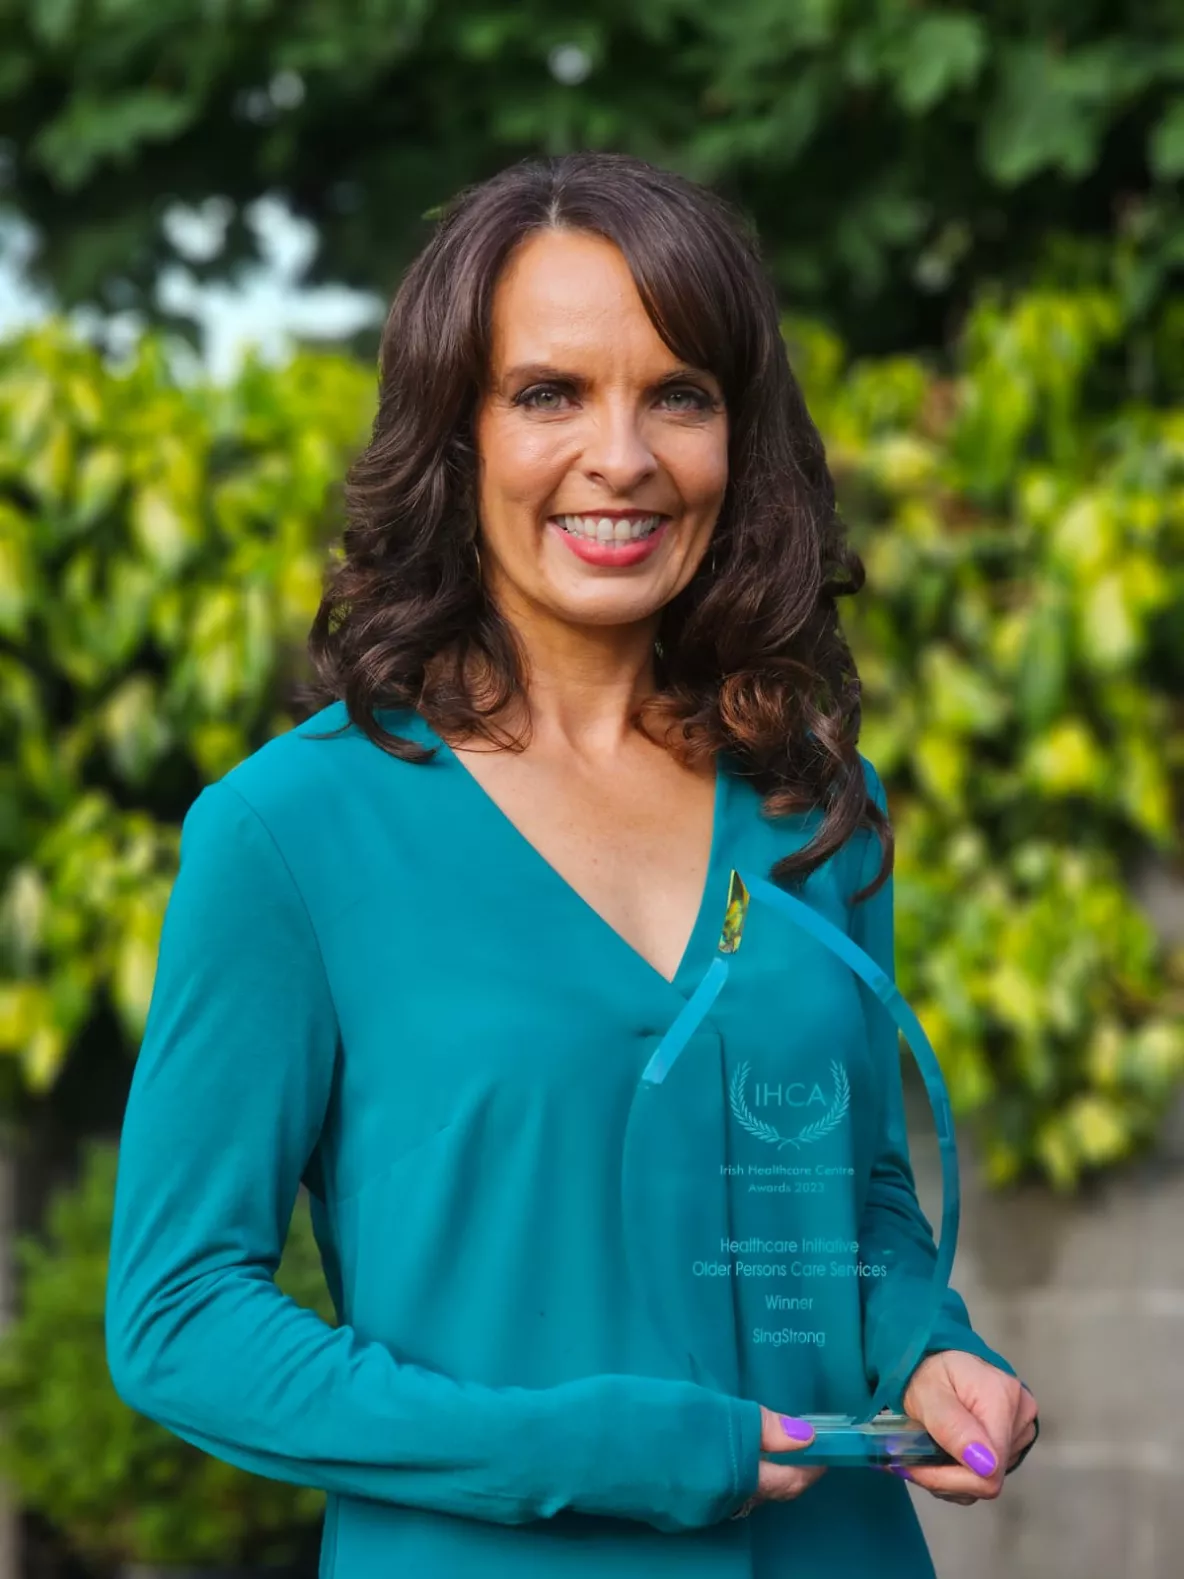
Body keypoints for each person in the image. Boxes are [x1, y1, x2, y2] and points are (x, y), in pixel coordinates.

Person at [105, 151, 1038, 1579]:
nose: (625, 456)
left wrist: (925, 1345)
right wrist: (579, 1452)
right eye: (550, 394)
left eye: (680, 394)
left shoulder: (817, 806)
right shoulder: (290, 834)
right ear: (458, 432)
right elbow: (178, 1315)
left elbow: (845, 1201)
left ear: (740, 434)